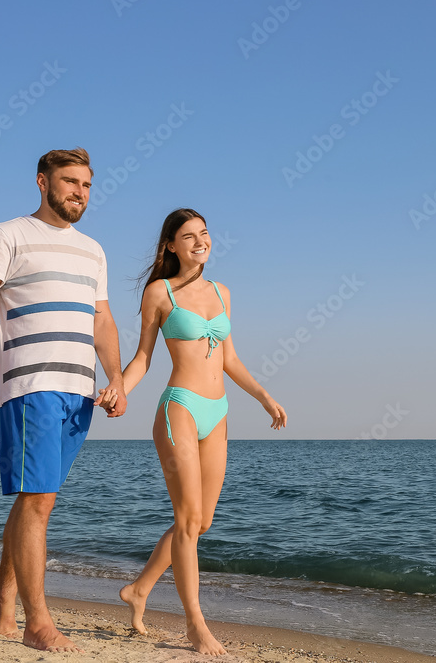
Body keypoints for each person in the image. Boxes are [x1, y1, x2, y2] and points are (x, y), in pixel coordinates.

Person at [0, 147, 127, 653]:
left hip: (80, 390)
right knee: (39, 500)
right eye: (70, 182)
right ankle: (37, 621)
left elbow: (103, 319)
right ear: (42, 182)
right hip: (31, 385)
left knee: (37, 498)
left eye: (87, 185)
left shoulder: (93, 249)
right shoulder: (9, 234)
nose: (80, 192)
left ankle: (1, 592)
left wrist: (117, 378)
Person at [102, 208, 286, 655]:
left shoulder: (222, 292)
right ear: (171, 245)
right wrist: (117, 388)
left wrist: (263, 396)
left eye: (204, 234)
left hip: (218, 412)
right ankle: (195, 625)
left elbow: (230, 358)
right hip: (179, 408)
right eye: (189, 236)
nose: (200, 241)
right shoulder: (159, 292)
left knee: (201, 522)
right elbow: (144, 357)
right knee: (186, 520)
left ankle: (139, 589)